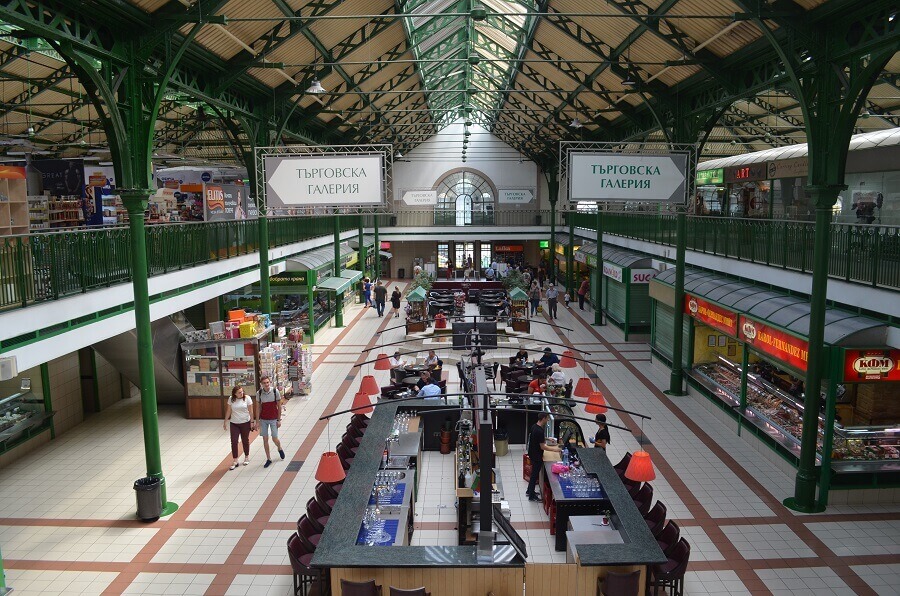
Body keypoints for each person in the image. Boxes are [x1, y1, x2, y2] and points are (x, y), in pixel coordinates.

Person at [526, 412, 561, 501]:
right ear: (544, 418)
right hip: (537, 456)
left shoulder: (535, 426)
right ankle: (531, 496)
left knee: (533, 474)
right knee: (534, 475)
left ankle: (529, 491)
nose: (548, 420)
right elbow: (543, 447)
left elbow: (537, 438)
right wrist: (555, 450)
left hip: (532, 453)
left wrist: (547, 438)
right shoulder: (540, 430)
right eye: (547, 418)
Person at [255, 375, 285, 468]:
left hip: (273, 419)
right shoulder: (259, 393)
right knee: (265, 439)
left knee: (274, 438)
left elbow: (279, 406)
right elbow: (258, 408)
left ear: (270, 382)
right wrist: (257, 421)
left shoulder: (275, 392)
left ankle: (279, 448)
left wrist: (279, 419)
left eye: (267, 382)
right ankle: (268, 459)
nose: (266, 384)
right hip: (263, 419)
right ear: (261, 384)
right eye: (264, 383)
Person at [224, 385, 254, 470]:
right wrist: (225, 421)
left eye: (242, 391)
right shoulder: (231, 399)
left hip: (245, 422)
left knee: (245, 440)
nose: (242, 393)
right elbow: (229, 410)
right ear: (235, 394)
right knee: (234, 441)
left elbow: (251, 411)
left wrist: (252, 422)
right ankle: (235, 460)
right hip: (234, 423)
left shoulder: (247, 398)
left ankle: (246, 456)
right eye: (239, 392)